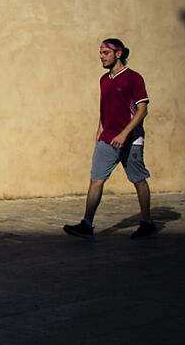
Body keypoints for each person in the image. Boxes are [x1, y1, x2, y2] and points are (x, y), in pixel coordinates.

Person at [64, 38, 156, 240]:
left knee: (138, 180)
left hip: (131, 141)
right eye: (100, 53)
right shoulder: (104, 80)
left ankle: (146, 222)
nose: (101, 57)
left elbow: (142, 110)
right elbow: (105, 109)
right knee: (96, 180)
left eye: (105, 53)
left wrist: (124, 134)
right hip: (107, 140)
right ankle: (86, 224)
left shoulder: (133, 78)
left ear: (118, 53)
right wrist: (99, 131)